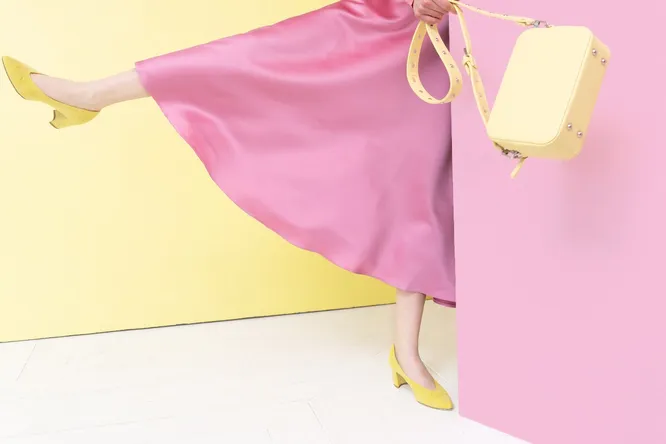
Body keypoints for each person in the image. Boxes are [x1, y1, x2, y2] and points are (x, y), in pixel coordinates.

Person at [2, 0, 457, 410]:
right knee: (254, 59)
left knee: (421, 188)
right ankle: (89, 95)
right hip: (398, 26)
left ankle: (406, 354)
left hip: (467, 48)